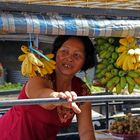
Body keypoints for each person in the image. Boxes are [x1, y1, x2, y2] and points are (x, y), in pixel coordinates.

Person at [0, 35, 97, 140]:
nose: (69, 58)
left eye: (77, 55)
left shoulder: (82, 90)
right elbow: (42, 96)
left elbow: (86, 131)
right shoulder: (41, 75)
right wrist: (58, 97)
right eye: (64, 51)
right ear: (55, 53)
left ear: (85, 61)